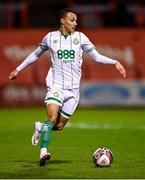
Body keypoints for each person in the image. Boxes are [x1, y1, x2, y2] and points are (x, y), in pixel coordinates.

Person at [9, 8, 126, 166]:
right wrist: (18, 68)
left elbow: (96, 56)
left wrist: (115, 62)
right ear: (62, 20)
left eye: (76, 20)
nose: (75, 23)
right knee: (51, 117)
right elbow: (36, 54)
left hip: (73, 91)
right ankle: (43, 152)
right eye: (72, 20)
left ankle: (40, 127)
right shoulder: (50, 37)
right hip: (56, 86)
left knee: (58, 126)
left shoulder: (80, 37)